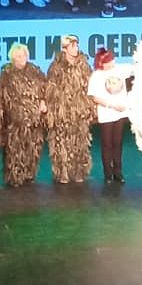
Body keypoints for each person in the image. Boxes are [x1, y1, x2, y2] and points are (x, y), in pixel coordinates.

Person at [45, 34, 96, 184]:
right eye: (72, 46)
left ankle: (79, 172)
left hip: (79, 111)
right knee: (61, 142)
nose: (76, 48)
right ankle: (63, 172)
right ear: (65, 48)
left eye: (77, 45)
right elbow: (50, 88)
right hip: (62, 111)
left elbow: (89, 86)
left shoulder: (84, 65)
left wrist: (88, 105)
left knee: (80, 142)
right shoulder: (56, 66)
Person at [0, 43, 47, 187]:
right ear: (13, 58)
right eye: (19, 56)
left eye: (24, 55)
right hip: (15, 119)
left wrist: (43, 101)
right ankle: (15, 176)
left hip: (34, 118)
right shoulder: (6, 73)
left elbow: (45, 88)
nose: (22, 59)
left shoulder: (35, 70)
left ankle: (29, 174)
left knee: (33, 147)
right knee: (15, 148)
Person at [88, 48, 133, 184]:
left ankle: (118, 172)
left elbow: (136, 69)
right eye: (109, 61)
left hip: (120, 114)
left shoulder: (120, 69)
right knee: (107, 144)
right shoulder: (96, 76)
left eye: (112, 59)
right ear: (102, 63)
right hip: (106, 114)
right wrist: (112, 105)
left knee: (118, 143)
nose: (113, 62)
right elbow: (94, 97)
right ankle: (108, 174)